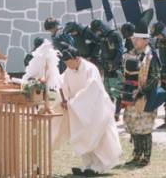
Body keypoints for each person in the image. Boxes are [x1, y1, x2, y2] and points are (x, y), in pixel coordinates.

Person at [51, 47, 122, 177]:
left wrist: (71, 102)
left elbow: (92, 88)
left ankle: (99, 166)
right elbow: (63, 84)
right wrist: (64, 99)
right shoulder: (69, 70)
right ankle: (87, 165)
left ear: (77, 58)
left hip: (96, 109)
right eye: (65, 63)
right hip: (78, 111)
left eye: (69, 62)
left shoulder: (90, 69)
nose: (67, 65)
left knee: (97, 136)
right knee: (81, 135)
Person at [121, 9, 162, 167]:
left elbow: (155, 77)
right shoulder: (129, 54)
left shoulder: (151, 56)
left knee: (144, 127)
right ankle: (136, 154)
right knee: (133, 125)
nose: (134, 41)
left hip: (144, 96)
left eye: (137, 39)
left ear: (145, 40)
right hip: (130, 95)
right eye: (133, 38)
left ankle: (146, 156)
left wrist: (142, 91)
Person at [90, 19, 124, 120]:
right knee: (108, 90)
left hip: (115, 66)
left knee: (117, 91)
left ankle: (117, 113)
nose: (97, 33)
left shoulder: (115, 35)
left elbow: (119, 51)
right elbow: (100, 50)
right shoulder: (101, 37)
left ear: (101, 28)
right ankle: (109, 112)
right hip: (105, 65)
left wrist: (113, 64)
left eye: (97, 30)